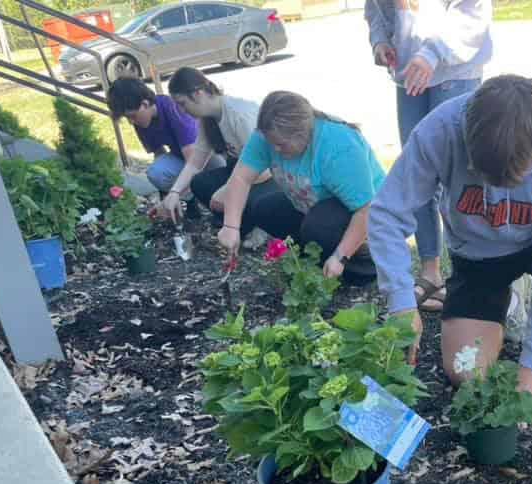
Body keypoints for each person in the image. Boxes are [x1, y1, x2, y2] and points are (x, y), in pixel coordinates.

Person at [367, 74, 532, 402]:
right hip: (477, 255)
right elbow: (387, 214)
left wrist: (531, 367)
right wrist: (402, 303)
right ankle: (507, 303)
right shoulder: (438, 131)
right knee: (466, 374)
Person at [364, 0, 492, 312]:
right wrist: (381, 40)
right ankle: (431, 271)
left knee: (460, 175)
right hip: (410, 73)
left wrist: (432, 53)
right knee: (417, 173)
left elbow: (472, 13)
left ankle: (469, 271)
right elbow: (376, 8)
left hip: (455, 71)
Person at [217, 91, 381, 285]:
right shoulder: (267, 136)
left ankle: (362, 267)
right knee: (262, 208)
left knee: (319, 225)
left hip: (370, 215)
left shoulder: (338, 147)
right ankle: (313, 262)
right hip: (314, 205)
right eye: (271, 143)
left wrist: (340, 257)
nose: (274, 149)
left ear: (303, 134)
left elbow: (366, 209)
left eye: (281, 145)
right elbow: (241, 178)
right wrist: (230, 226)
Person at [161, 68, 273, 245]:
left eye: (182, 103)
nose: (182, 110)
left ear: (197, 94)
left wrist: (228, 189)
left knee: (224, 193)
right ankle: (242, 227)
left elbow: (265, 169)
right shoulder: (208, 118)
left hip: (270, 176)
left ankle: (263, 227)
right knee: (200, 183)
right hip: (241, 170)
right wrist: (174, 192)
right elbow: (194, 163)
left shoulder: (239, 115)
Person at [106, 77, 220, 196]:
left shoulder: (173, 109)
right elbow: (159, 153)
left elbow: (192, 161)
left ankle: (203, 195)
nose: (131, 122)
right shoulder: (141, 120)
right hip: (183, 157)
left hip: (208, 156)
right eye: (127, 117)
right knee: (156, 172)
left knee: (202, 182)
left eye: (132, 116)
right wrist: (166, 192)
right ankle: (190, 202)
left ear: (145, 104)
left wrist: (175, 193)